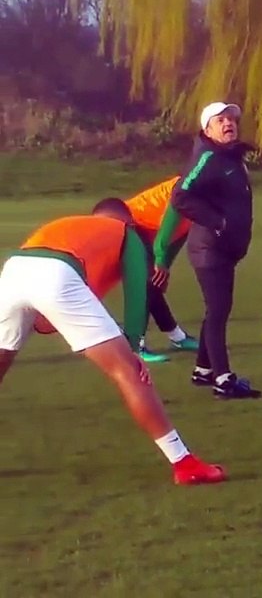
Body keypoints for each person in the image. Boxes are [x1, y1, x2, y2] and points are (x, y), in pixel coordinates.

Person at [0, 199, 226, 485]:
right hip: (57, 275)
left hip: (13, 270)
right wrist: (134, 347)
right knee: (129, 372)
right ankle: (184, 463)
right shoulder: (126, 233)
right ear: (128, 221)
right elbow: (138, 291)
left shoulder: (70, 222)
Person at [170, 101, 260, 399]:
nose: (228, 123)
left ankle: (203, 370)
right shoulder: (208, 157)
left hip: (224, 249)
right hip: (209, 250)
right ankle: (224, 379)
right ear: (208, 129)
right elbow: (181, 196)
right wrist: (217, 222)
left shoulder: (229, 156)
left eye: (231, 118)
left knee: (216, 309)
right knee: (219, 312)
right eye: (220, 120)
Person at [123, 176, 200, 363]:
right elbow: (168, 228)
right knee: (144, 282)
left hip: (149, 227)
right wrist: (161, 260)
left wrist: (166, 266)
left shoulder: (210, 192)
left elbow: (181, 230)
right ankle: (134, 346)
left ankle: (177, 338)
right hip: (131, 223)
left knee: (154, 281)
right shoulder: (190, 188)